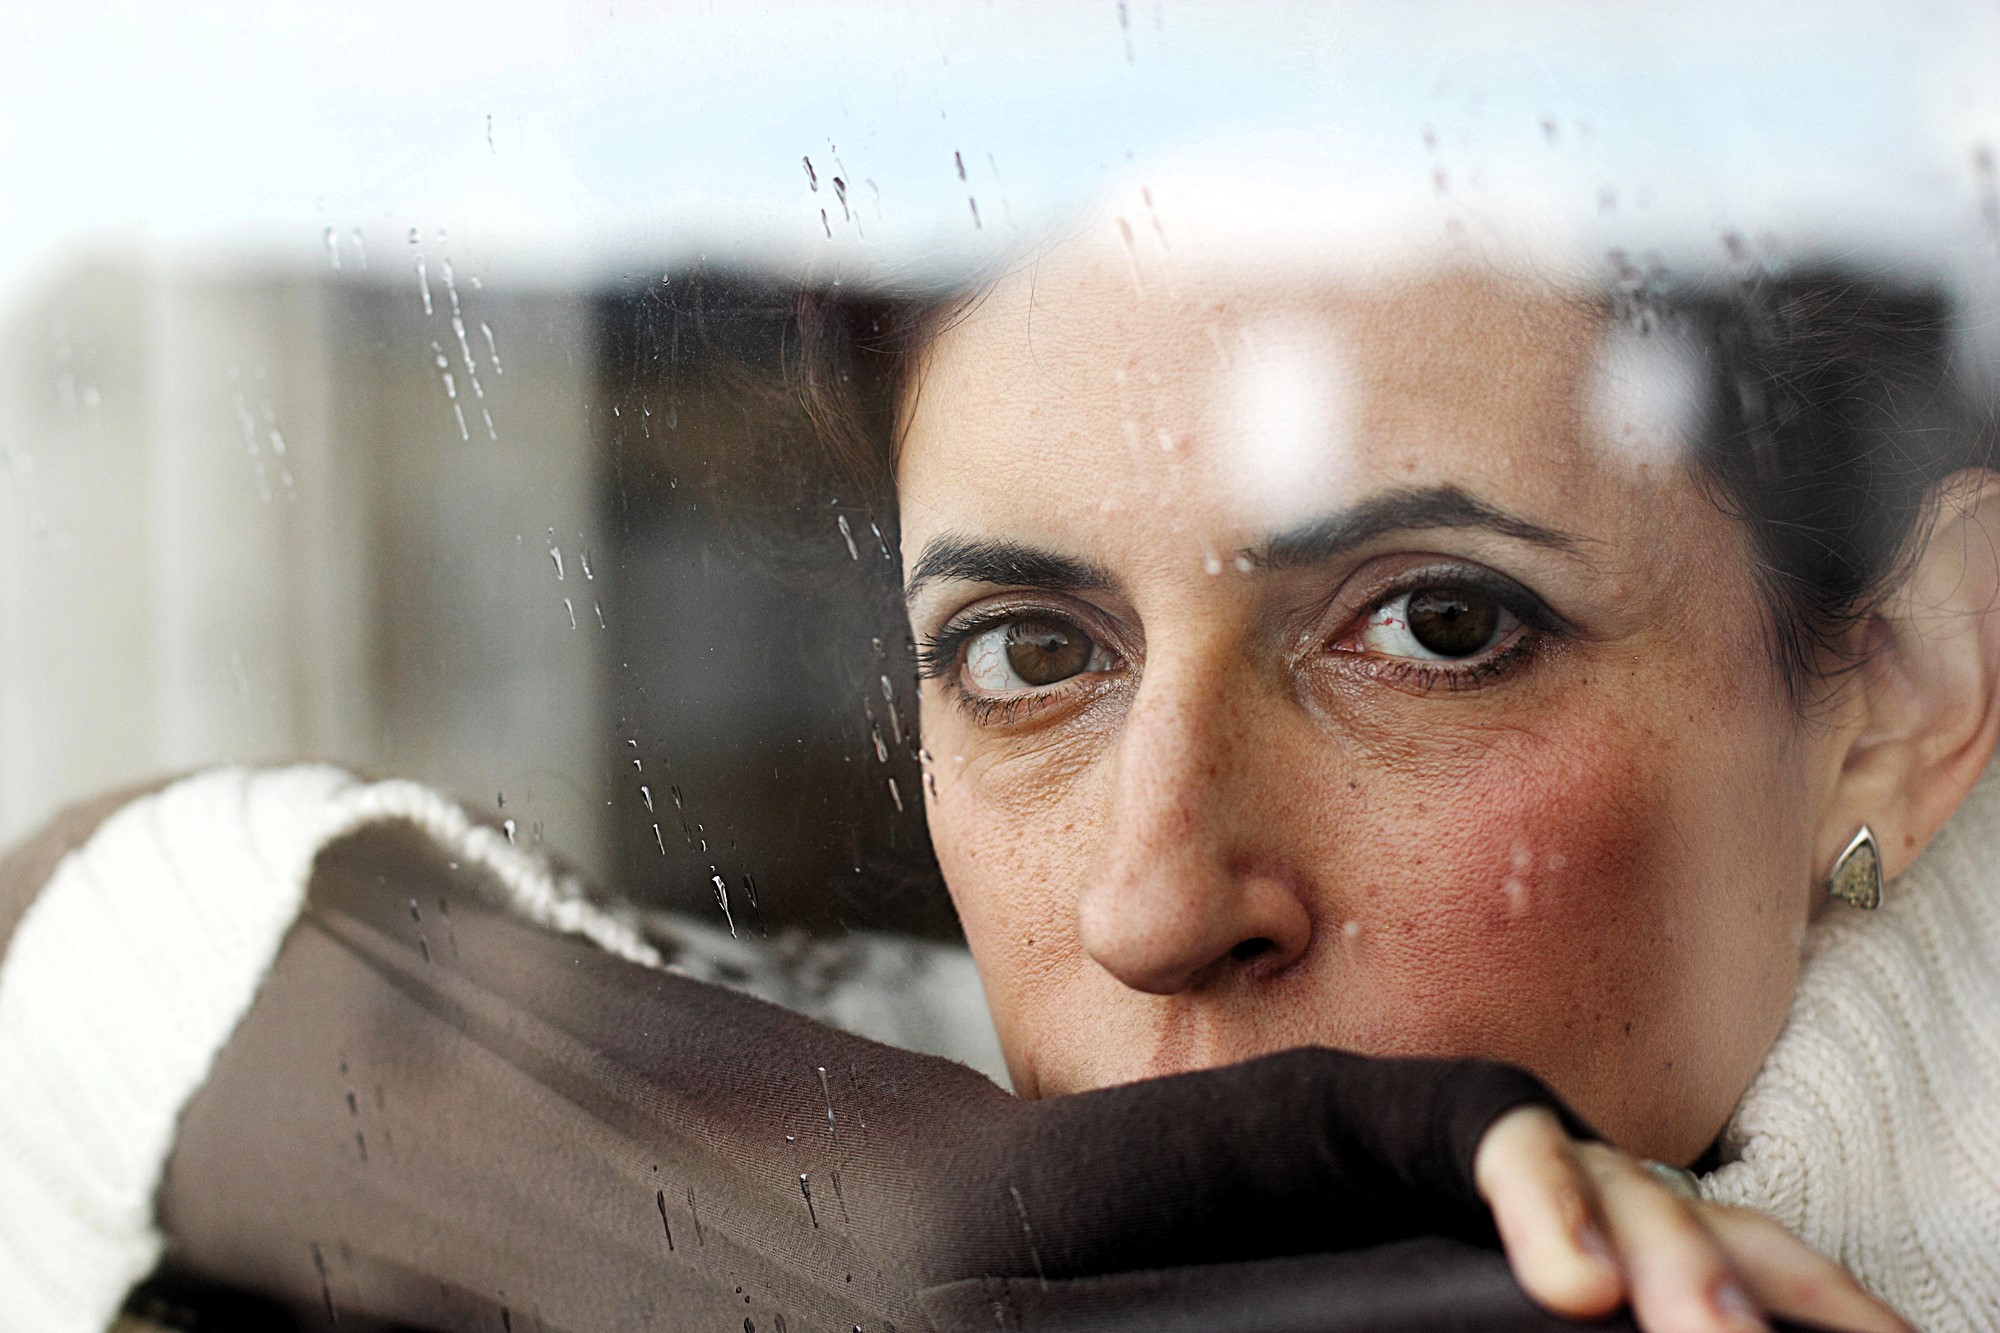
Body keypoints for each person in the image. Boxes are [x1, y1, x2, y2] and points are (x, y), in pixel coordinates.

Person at [0, 232, 1976, 1333]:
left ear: (1900, 688)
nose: (1146, 900)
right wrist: (941, 1239)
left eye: (1436, 626)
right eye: (1033, 655)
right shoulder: (893, 1083)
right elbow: (100, 954)